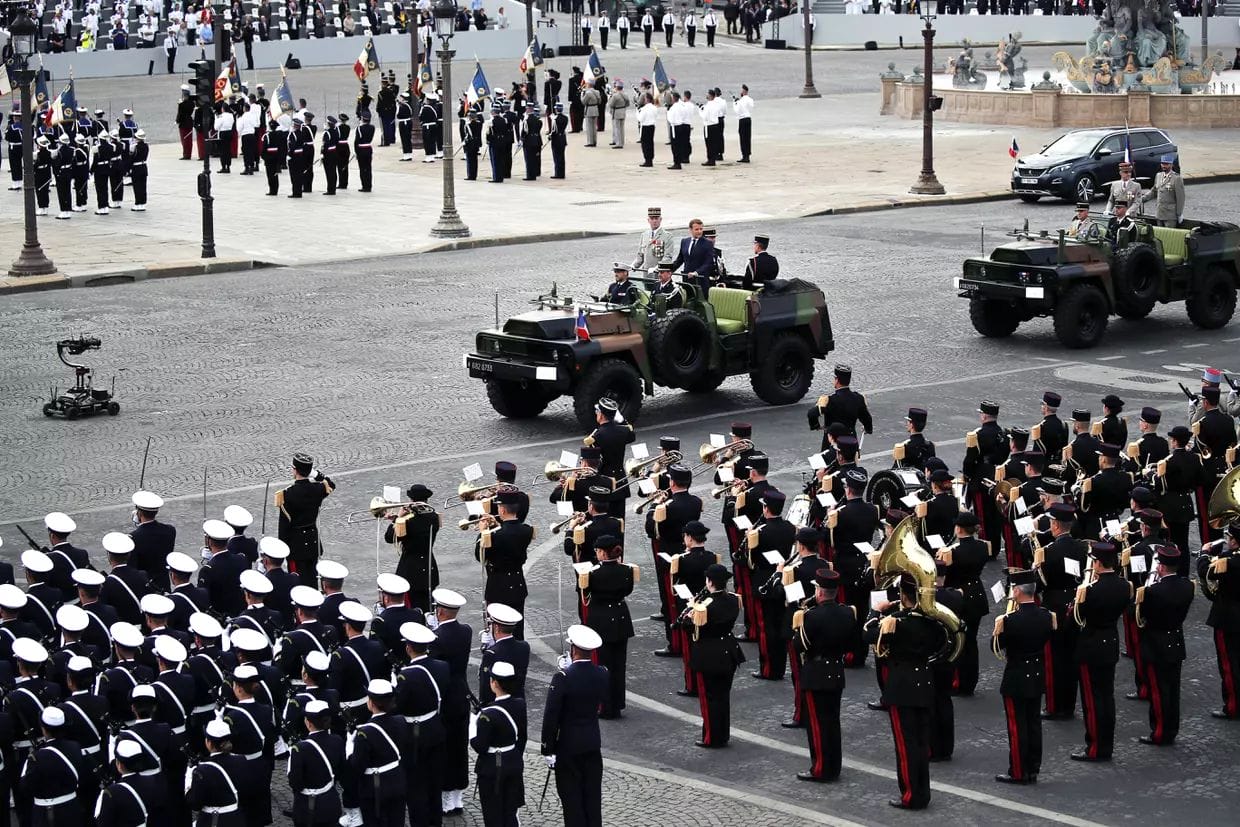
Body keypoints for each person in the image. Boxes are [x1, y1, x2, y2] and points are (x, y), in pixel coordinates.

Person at [871, 574, 941, 810]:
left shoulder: (895, 621)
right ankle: (924, 792)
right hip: (924, 682)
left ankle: (911, 795)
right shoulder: (932, 620)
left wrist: (878, 612)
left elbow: (868, 635)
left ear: (902, 595)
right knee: (922, 742)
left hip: (902, 687)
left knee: (906, 745)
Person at [991, 568, 1054, 785]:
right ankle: (1033, 767)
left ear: (1017, 591)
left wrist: (1002, 621)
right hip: (1036, 673)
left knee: (1017, 726)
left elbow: (996, 647)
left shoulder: (1010, 620)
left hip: (1016, 675)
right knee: (1033, 722)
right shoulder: (1046, 616)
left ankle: (1018, 771)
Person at [792, 568, 855, 782]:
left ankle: (820, 768)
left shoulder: (811, 616)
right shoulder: (847, 612)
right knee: (832, 722)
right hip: (836, 670)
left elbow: (799, 645)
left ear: (819, 592)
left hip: (816, 673)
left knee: (817, 725)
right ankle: (834, 766)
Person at [541, 625, 608, 825]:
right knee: (592, 799)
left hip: (568, 746)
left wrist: (547, 748)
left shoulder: (563, 678)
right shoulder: (602, 673)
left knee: (572, 801)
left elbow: (551, 714)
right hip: (592, 742)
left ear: (573, 650)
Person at [1071, 542, 1129, 762]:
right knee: (1107, 697)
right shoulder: (1124, 586)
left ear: (1097, 563)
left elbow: (1075, 618)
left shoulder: (1090, 590)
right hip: (1110, 642)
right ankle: (1107, 744)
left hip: (1090, 646)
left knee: (1092, 701)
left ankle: (1095, 747)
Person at [685, 564, 744, 748]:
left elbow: (690, 628)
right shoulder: (734, 600)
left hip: (709, 654)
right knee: (722, 696)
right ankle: (723, 734)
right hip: (728, 650)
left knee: (709, 699)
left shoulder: (704, 607)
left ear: (709, 582)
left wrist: (690, 610)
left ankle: (712, 737)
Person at [580, 535, 637, 718]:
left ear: (603, 553)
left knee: (603, 665)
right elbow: (627, 590)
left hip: (601, 620)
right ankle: (618, 703)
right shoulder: (627, 571)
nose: (596, 554)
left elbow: (585, 595)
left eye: (597, 551)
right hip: (620, 618)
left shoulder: (592, 574)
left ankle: (605, 706)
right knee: (619, 665)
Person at [472, 660, 527, 827]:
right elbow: (522, 736)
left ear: (494, 683)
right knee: (510, 810)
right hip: (513, 761)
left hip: (492, 768)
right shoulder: (520, 704)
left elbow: (480, 746)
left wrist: (471, 730)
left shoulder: (487, 714)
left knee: (493, 813)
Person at [348, 679, 409, 827]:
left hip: (375, 789)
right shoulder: (401, 721)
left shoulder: (364, 733)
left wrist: (350, 747)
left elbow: (357, 766)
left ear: (371, 703)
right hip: (397, 780)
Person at [276, 453, 335, 586]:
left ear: (295, 470)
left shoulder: (287, 494)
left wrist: (282, 551)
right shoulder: (318, 489)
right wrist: (315, 474)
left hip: (295, 546)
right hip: (312, 541)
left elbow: (283, 528)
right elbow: (330, 484)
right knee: (312, 579)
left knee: (298, 583)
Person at [808, 364, 874, 450]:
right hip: (850, 442)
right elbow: (867, 419)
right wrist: (867, 429)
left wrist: (816, 426)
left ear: (837, 380)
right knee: (850, 462)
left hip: (831, 443)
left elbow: (811, 414)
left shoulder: (829, 400)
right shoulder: (858, 398)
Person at [670, 218, 716, 295]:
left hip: (700, 281)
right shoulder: (685, 241)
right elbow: (680, 259)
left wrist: (696, 272)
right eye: (696, 229)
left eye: (701, 229)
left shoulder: (707, 244)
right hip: (687, 279)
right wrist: (669, 271)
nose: (699, 231)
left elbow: (708, 263)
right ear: (690, 230)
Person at [1141, 154, 1185, 228]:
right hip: (1159, 213)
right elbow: (1154, 191)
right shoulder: (1158, 175)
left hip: (1170, 215)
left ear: (1171, 165)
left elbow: (1180, 198)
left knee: (1168, 235)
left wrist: (1179, 213)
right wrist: (1142, 199)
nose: (1164, 166)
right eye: (1162, 164)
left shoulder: (1177, 178)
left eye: (1166, 164)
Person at [354, 112, 376, 192]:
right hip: (368, 148)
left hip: (361, 149)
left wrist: (356, 152)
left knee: (363, 169)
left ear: (362, 119)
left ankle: (364, 186)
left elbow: (357, 141)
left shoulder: (359, 128)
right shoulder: (372, 127)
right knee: (368, 168)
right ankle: (369, 186)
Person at [549, 102, 569, 179]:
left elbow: (554, 130)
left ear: (556, 109)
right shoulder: (565, 118)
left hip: (556, 139)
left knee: (557, 157)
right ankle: (562, 173)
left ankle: (558, 173)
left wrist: (550, 136)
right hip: (563, 138)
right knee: (562, 157)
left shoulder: (555, 119)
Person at [607, 81, 630, 149]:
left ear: (617, 87)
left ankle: (618, 143)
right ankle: (621, 142)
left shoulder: (615, 95)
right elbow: (628, 103)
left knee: (617, 128)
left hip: (616, 111)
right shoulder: (625, 94)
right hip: (623, 111)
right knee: (621, 128)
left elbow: (611, 104)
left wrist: (609, 98)